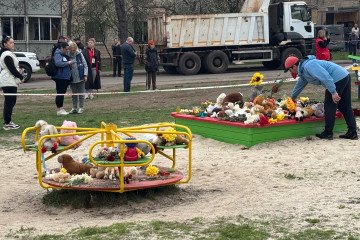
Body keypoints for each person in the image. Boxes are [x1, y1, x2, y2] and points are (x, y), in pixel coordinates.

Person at [284, 55, 358, 140]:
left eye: (290, 70)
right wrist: (292, 99)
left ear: (293, 66)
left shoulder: (309, 66)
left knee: (329, 106)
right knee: (345, 106)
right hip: (344, 76)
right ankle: (352, 132)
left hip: (336, 79)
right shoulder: (303, 71)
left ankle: (328, 133)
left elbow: (325, 77)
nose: (291, 72)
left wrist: (333, 92)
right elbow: (299, 85)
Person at [0, 35, 24, 130]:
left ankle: (8, 121)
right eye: (10, 42)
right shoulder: (6, 54)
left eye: (13, 42)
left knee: (11, 101)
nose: (12, 44)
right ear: (5, 44)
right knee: (10, 101)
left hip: (9, 79)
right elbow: (12, 69)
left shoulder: (8, 53)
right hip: (8, 80)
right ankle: (7, 123)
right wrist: (20, 76)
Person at [52, 42, 75, 116]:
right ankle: (59, 109)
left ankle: (61, 108)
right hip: (60, 77)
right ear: (62, 48)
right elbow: (58, 63)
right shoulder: (58, 54)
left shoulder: (63, 54)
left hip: (64, 77)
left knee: (62, 93)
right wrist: (68, 63)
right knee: (60, 93)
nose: (67, 51)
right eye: (66, 49)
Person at [68, 41, 88, 114]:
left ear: (76, 48)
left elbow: (85, 65)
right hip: (72, 78)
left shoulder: (80, 54)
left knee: (81, 94)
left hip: (80, 77)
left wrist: (85, 75)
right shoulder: (68, 55)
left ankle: (81, 107)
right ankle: (74, 108)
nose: (72, 51)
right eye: (71, 50)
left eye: (74, 50)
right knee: (74, 95)